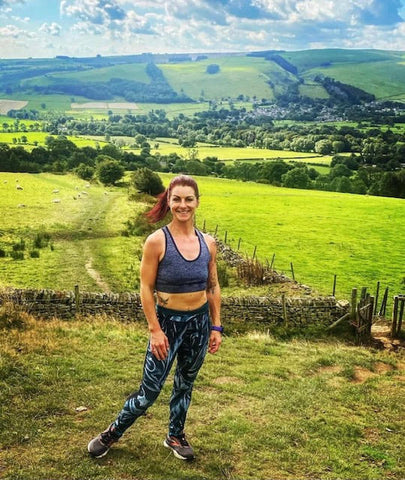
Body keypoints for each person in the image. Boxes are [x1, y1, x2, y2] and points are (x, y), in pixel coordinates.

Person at [88, 174, 223, 461]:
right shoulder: (156, 241)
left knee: (185, 384)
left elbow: (212, 285)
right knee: (149, 392)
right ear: (169, 202)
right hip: (167, 325)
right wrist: (155, 329)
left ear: (197, 202)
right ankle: (111, 433)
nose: (183, 205)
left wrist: (215, 325)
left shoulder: (208, 243)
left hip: (198, 324)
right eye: (177, 199)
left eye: (189, 199)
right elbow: (146, 288)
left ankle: (175, 436)